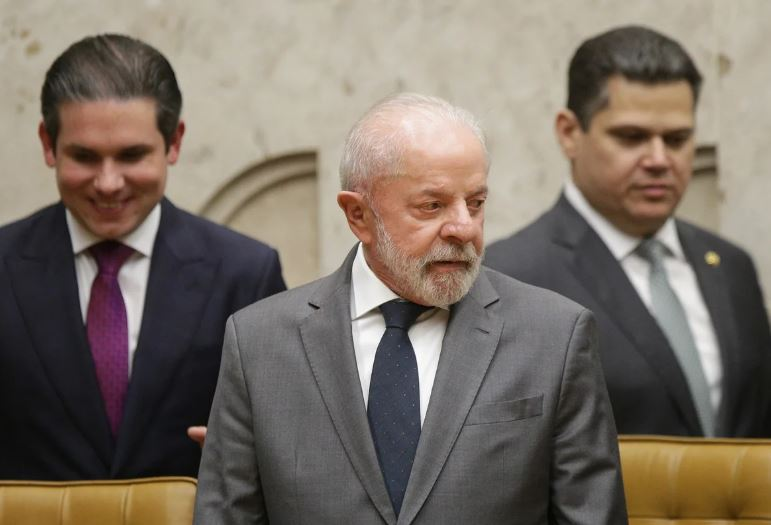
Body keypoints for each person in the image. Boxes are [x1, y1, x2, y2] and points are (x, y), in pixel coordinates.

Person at [194, 93, 626, 524]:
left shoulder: (556, 337)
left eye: (475, 203)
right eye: (432, 206)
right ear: (358, 215)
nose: (463, 228)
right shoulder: (258, 343)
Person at [0, 34, 286, 480]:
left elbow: (289, 439)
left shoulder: (245, 273)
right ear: (48, 144)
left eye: (131, 155)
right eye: (84, 157)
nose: (108, 182)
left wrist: (257, 460)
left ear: (174, 142)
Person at [486, 25, 771, 437]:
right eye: (631, 137)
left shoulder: (731, 266)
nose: (659, 159)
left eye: (677, 139)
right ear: (569, 133)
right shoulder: (511, 278)